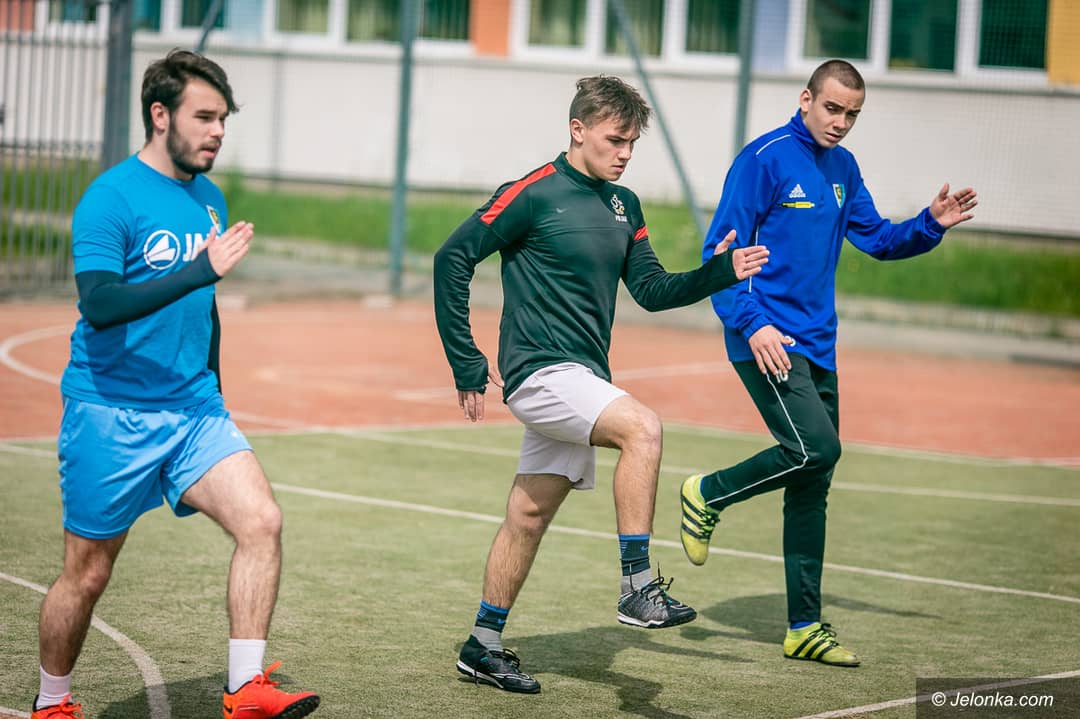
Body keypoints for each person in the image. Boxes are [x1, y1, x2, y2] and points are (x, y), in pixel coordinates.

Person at [433, 75, 770, 694]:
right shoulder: (531, 193)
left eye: (633, 143)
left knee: (528, 516)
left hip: (581, 378)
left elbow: (652, 290)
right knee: (643, 429)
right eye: (616, 140)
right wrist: (466, 359)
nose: (625, 153)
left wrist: (719, 271)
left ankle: (482, 645)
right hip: (539, 372)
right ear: (578, 129)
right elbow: (452, 258)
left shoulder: (625, 206)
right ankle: (637, 586)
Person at [32, 50, 320, 719]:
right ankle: (51, 702)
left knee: (262, 521)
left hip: (194, 410)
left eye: (223, 119)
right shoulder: (110, 197)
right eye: (205, 117)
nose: (217, 132)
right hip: (111, 412)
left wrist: (213, 385)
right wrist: (200, 269)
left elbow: (204, 306)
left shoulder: (208, 197)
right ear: (160, 115)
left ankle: (245, 689)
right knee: (88, 573)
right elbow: (101, 303)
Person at [679, 59, 978, 667]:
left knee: (812, 483)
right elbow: (720, 253)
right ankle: (707, 494)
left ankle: (804, 627)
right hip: (766, 338)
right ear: (806, 99)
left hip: (820, 345)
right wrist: (753, 322)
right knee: (816, 449)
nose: (840, 122)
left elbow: (880, 240)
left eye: (852, 114)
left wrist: (930, 224)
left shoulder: (844, 167)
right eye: (832, 108)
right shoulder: (762, 159)